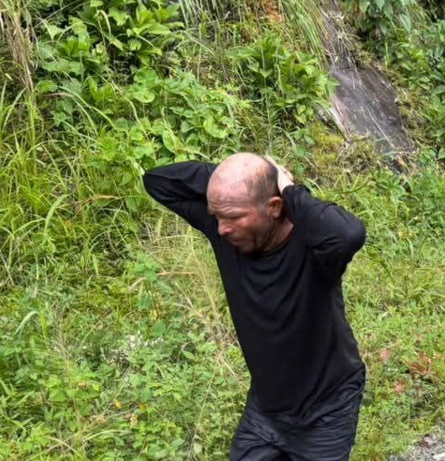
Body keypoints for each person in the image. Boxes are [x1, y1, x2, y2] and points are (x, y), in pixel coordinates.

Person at [143, 153, 367, 461]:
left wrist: (287, 188)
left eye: (234, 216)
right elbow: (157, 181)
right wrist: (237, 181)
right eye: (217, 216)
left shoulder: (316, 246)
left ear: (274, 208)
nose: (222, 228)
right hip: (266, 407)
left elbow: (349, 233)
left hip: (326, 408)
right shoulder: (227, 232)